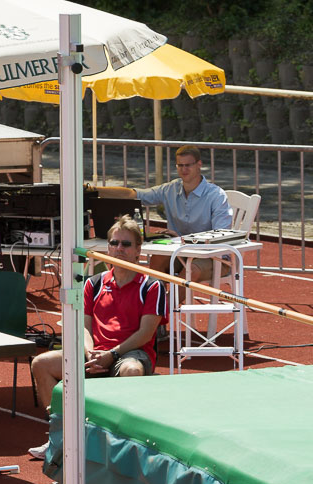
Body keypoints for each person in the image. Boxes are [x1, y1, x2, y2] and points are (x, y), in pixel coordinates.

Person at [28, 215, 167, 460]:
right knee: (41, 363)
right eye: (114, 243)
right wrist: (89, 351)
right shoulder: (94, 283)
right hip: (95, 352)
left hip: (131, 353)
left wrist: (111, 355)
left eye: (126, 244)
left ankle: (123, 445)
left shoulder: (152, 286)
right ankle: (60, 438)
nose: (118, 249)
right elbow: (83, 327)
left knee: (132, 371)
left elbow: (146, 333)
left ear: (138, 251)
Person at [95, 145, 232, 282]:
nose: (184, 169)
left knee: (192, 269)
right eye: (180, 165)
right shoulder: (170, 189)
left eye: (188, 165)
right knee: (158, 258)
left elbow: (221, 236)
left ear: (199, 165)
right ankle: (157, 300)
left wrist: (182, 240)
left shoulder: (216, 195)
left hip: (215, 257)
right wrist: (95, 190)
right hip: (181, 252)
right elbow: (133, 194)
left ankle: (166, 303)